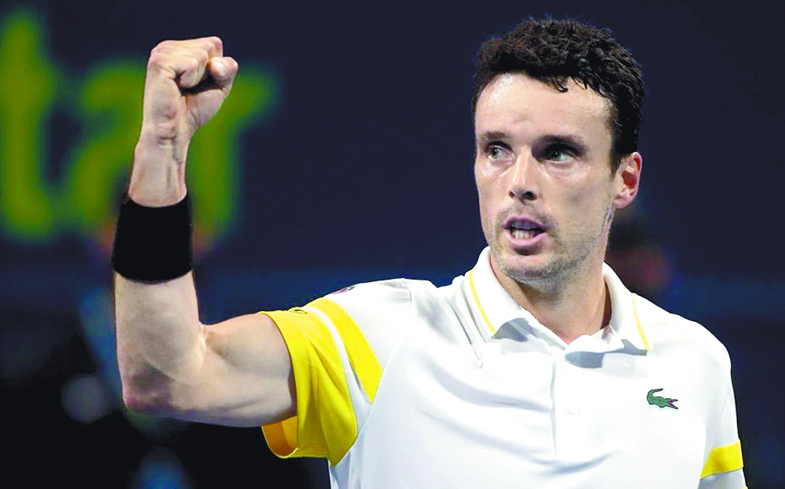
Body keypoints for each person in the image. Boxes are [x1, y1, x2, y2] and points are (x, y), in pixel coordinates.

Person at [114, 18, 746, 488]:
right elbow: (167, 376)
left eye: (558, 152)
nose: (519, 181)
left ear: (624, 180)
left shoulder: (695, 363)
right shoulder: (375, 338)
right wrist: (163, 148)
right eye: (496, 149)